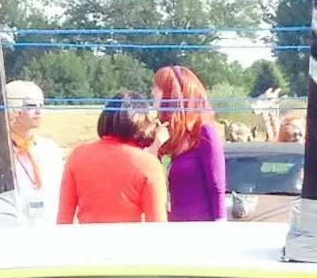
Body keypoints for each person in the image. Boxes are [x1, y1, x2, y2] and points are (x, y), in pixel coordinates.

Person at [57, 93, 166, 225]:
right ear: (142, 123)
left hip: (87, 237)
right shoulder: (149, 164)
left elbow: (63, 219)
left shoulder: (77, 156)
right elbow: (157, 225)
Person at [0, 81, 64, 226]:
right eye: (30, 106)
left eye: (41, 105)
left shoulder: (50, 150)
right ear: (13, 110)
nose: (38, 111)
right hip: (6, 229)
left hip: (46, 227)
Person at [155, 66, 227, 221]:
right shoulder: (165, 134)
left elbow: (217, 187)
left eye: (159, 88)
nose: (153, 93)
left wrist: (220, 226)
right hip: (171, 225)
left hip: (200, 227)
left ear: (172, 94)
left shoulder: (204, 132)